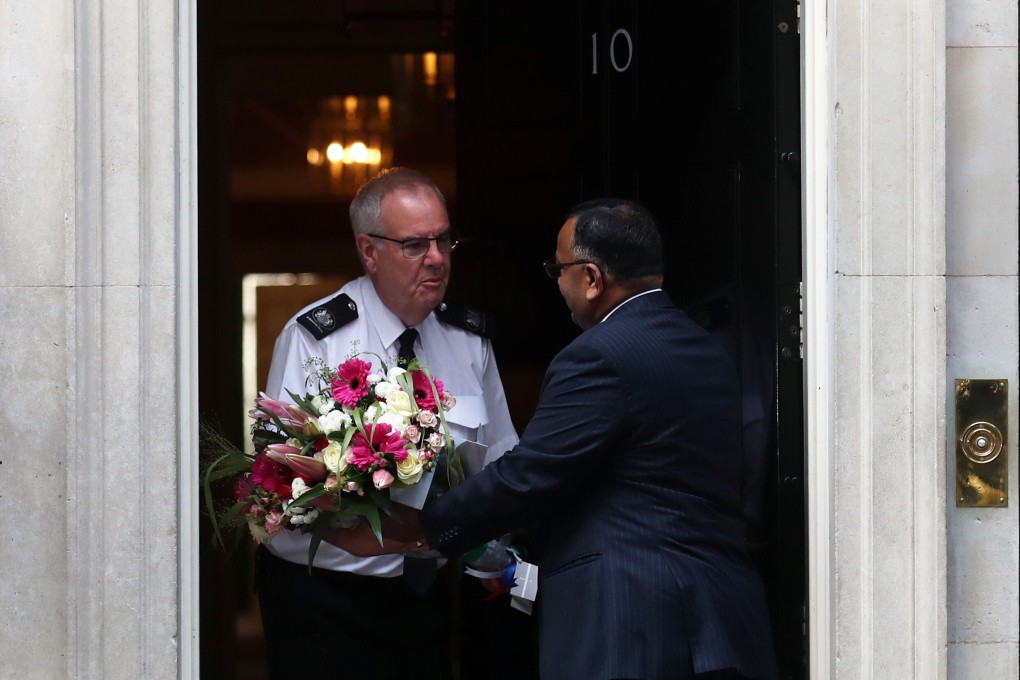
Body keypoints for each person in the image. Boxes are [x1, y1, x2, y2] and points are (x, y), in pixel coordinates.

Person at [363, 198, 780, 679]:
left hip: (630, 625)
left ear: (591, 278)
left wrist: (421, 527)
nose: (557, 285)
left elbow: (529, 476)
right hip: (723, 622)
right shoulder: (707, 349)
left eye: (557, 270)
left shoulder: (597, 356)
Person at [254, 167, 531, 679]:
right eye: (414, 244)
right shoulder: (317, 339)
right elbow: (277, 485)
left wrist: (496, 555)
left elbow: (501, 465)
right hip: (322, 599)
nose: (436, 258)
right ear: (369, 251)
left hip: (423, 598)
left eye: (444, 240)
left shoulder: (468, 341)